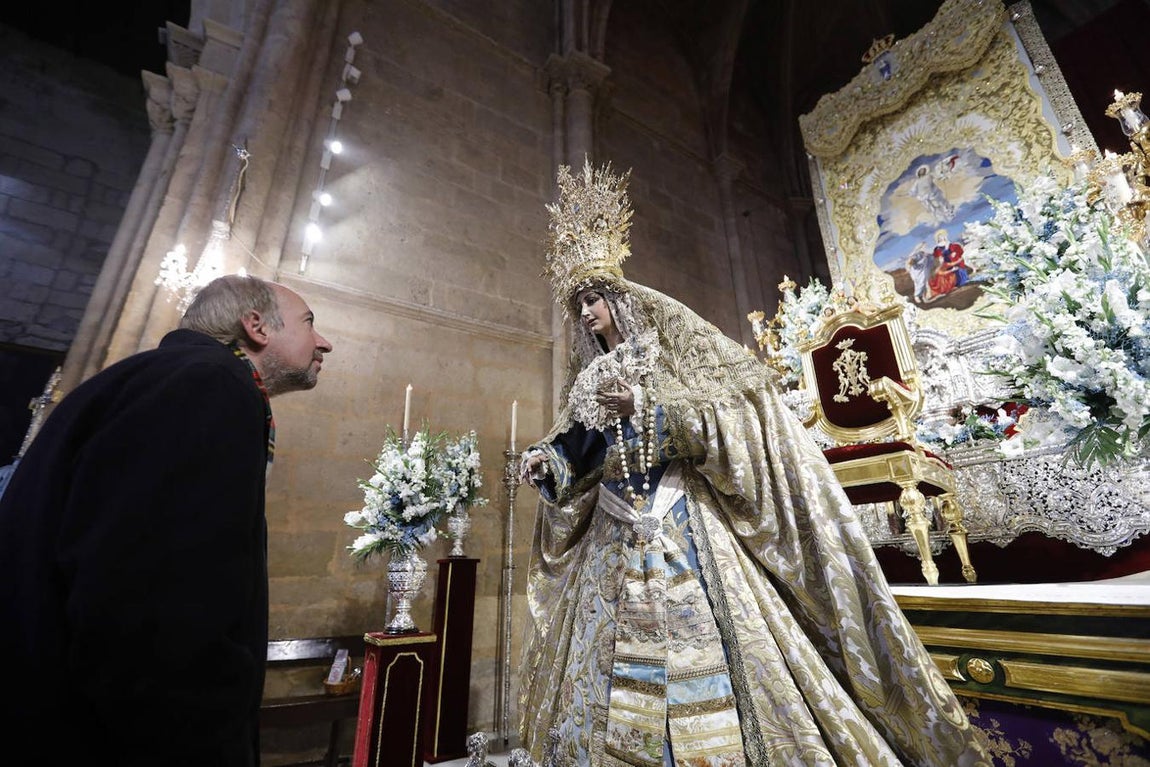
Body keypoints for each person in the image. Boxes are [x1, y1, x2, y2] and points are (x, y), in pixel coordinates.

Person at [516, 161, 989, 766]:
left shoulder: (667, 353)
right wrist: (548, 461)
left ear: (617, 298)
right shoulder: (587, 376)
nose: (585, 314)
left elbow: (726, 422)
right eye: (576, 305)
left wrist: (649, 406)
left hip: (682, 517)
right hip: (613, 529)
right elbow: (582, 444)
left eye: (592, 300)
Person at [0, 274, 332, 766]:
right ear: (256, 326)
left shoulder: (163, 377)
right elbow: (154, 602)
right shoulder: (208, 386)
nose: (324, 341)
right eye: (309, 323)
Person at [928, 228, 970, 297]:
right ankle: (950, 286)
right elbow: (938, 257)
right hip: (944, 263)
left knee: (957, 269)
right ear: (938, 238)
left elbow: (956, 250)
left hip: (952, 260)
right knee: (948, 274)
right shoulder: (937, 248)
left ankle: (961, 282)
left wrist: (954, 254)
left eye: (944, 236)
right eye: (940, 236)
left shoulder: (950, 244)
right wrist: (941, 260)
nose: (943, 238)